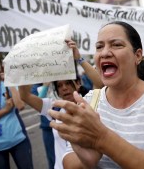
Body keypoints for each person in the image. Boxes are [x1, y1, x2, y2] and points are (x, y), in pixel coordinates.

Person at [48, 21, 144, 168]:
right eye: (99, 47)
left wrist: (102, 139)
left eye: (116, 45)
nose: (105, 53)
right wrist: (86, 160)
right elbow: (68, 160)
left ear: (138, 55)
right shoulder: (88, 102)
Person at [19, 39, 104, 169]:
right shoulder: (53, 106)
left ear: (78, 83)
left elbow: (100, 83)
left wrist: (79, 59)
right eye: (59, 85)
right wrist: (30, 66)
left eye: (68, 83)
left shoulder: (89, 101)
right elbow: (25, 96)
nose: (64, 88)